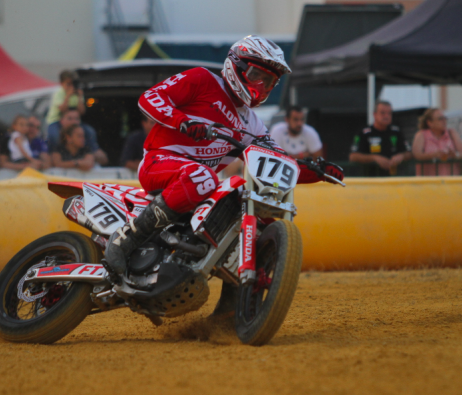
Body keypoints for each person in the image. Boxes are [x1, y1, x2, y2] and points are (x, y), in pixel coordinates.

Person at [103, 35, 343, 291]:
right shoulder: (203, 79)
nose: (261, 86)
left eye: (270, 81)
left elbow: (276, 161)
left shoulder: (253, 124)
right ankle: (125, 239)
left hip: (197, 185)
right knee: (205, 177)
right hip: (159, 163)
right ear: (236, 65)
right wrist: (183, 121)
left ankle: (233, 301)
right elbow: (150, 98)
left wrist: (315, 170)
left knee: (245, 195)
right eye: (256, 75)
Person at [349, 100, 412, 176]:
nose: (386, 116)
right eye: (382, 113)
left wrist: (401, 156)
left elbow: (410, 153)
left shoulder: (396, 132)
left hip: (394, 180)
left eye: (389, 113)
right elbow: (353, 156)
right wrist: (375, 158)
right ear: (374, 114)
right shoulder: (365, 133)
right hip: (371, 181)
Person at [412, 108, 462, 176]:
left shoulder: (451, 133)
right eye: (440, 119)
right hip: (430, 183)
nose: (444, 121)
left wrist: (455, 155)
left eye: (445, 118)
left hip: (451, 181)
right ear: (429, 123)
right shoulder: (421, 135)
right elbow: (416, 154)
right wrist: (433, 155)